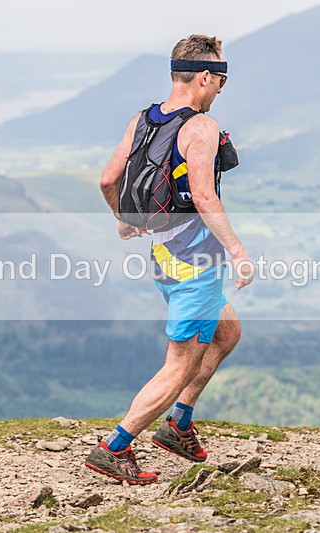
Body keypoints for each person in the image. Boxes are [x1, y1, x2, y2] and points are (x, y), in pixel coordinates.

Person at [84, 34, 254, 485]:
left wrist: (125, 219)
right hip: (194, 261)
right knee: (179, 363)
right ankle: (114, 448)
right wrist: (237, 252)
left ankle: (178, 424)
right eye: (221, 80)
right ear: (204, 77)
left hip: (164, 254)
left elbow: (107, 179)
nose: (221, 88)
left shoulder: (144, 119)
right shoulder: (201, 128)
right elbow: (202, 195)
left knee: (227, 331)